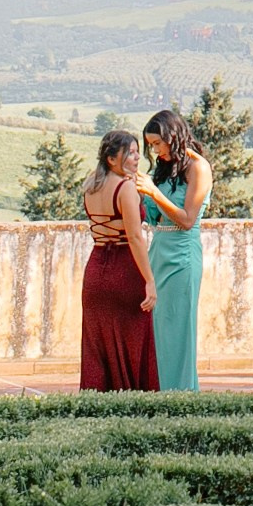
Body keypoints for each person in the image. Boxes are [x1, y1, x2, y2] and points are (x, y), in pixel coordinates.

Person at [80, 130, 159, 390]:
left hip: (95, 271)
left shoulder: (91, 184)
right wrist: (149, 280)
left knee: (97, 347)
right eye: (131, 153)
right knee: (133, 342)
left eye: (138, 152)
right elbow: (135, 238)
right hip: (125, 271)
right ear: (112, 159)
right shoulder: (125, 188)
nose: (137, 158)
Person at [140, 107, 211, 392]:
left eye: (158, 143)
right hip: (157, 252)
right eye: (150, 146)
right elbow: (153, 217)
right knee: (155, 330)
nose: (155, 151)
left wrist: (153, 193)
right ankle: (156, 393)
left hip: (183, 256)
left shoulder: (199, 167)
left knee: (178, 329)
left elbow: (186, 219)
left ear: (174, 136)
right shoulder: (163, 168)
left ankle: (181, 394)